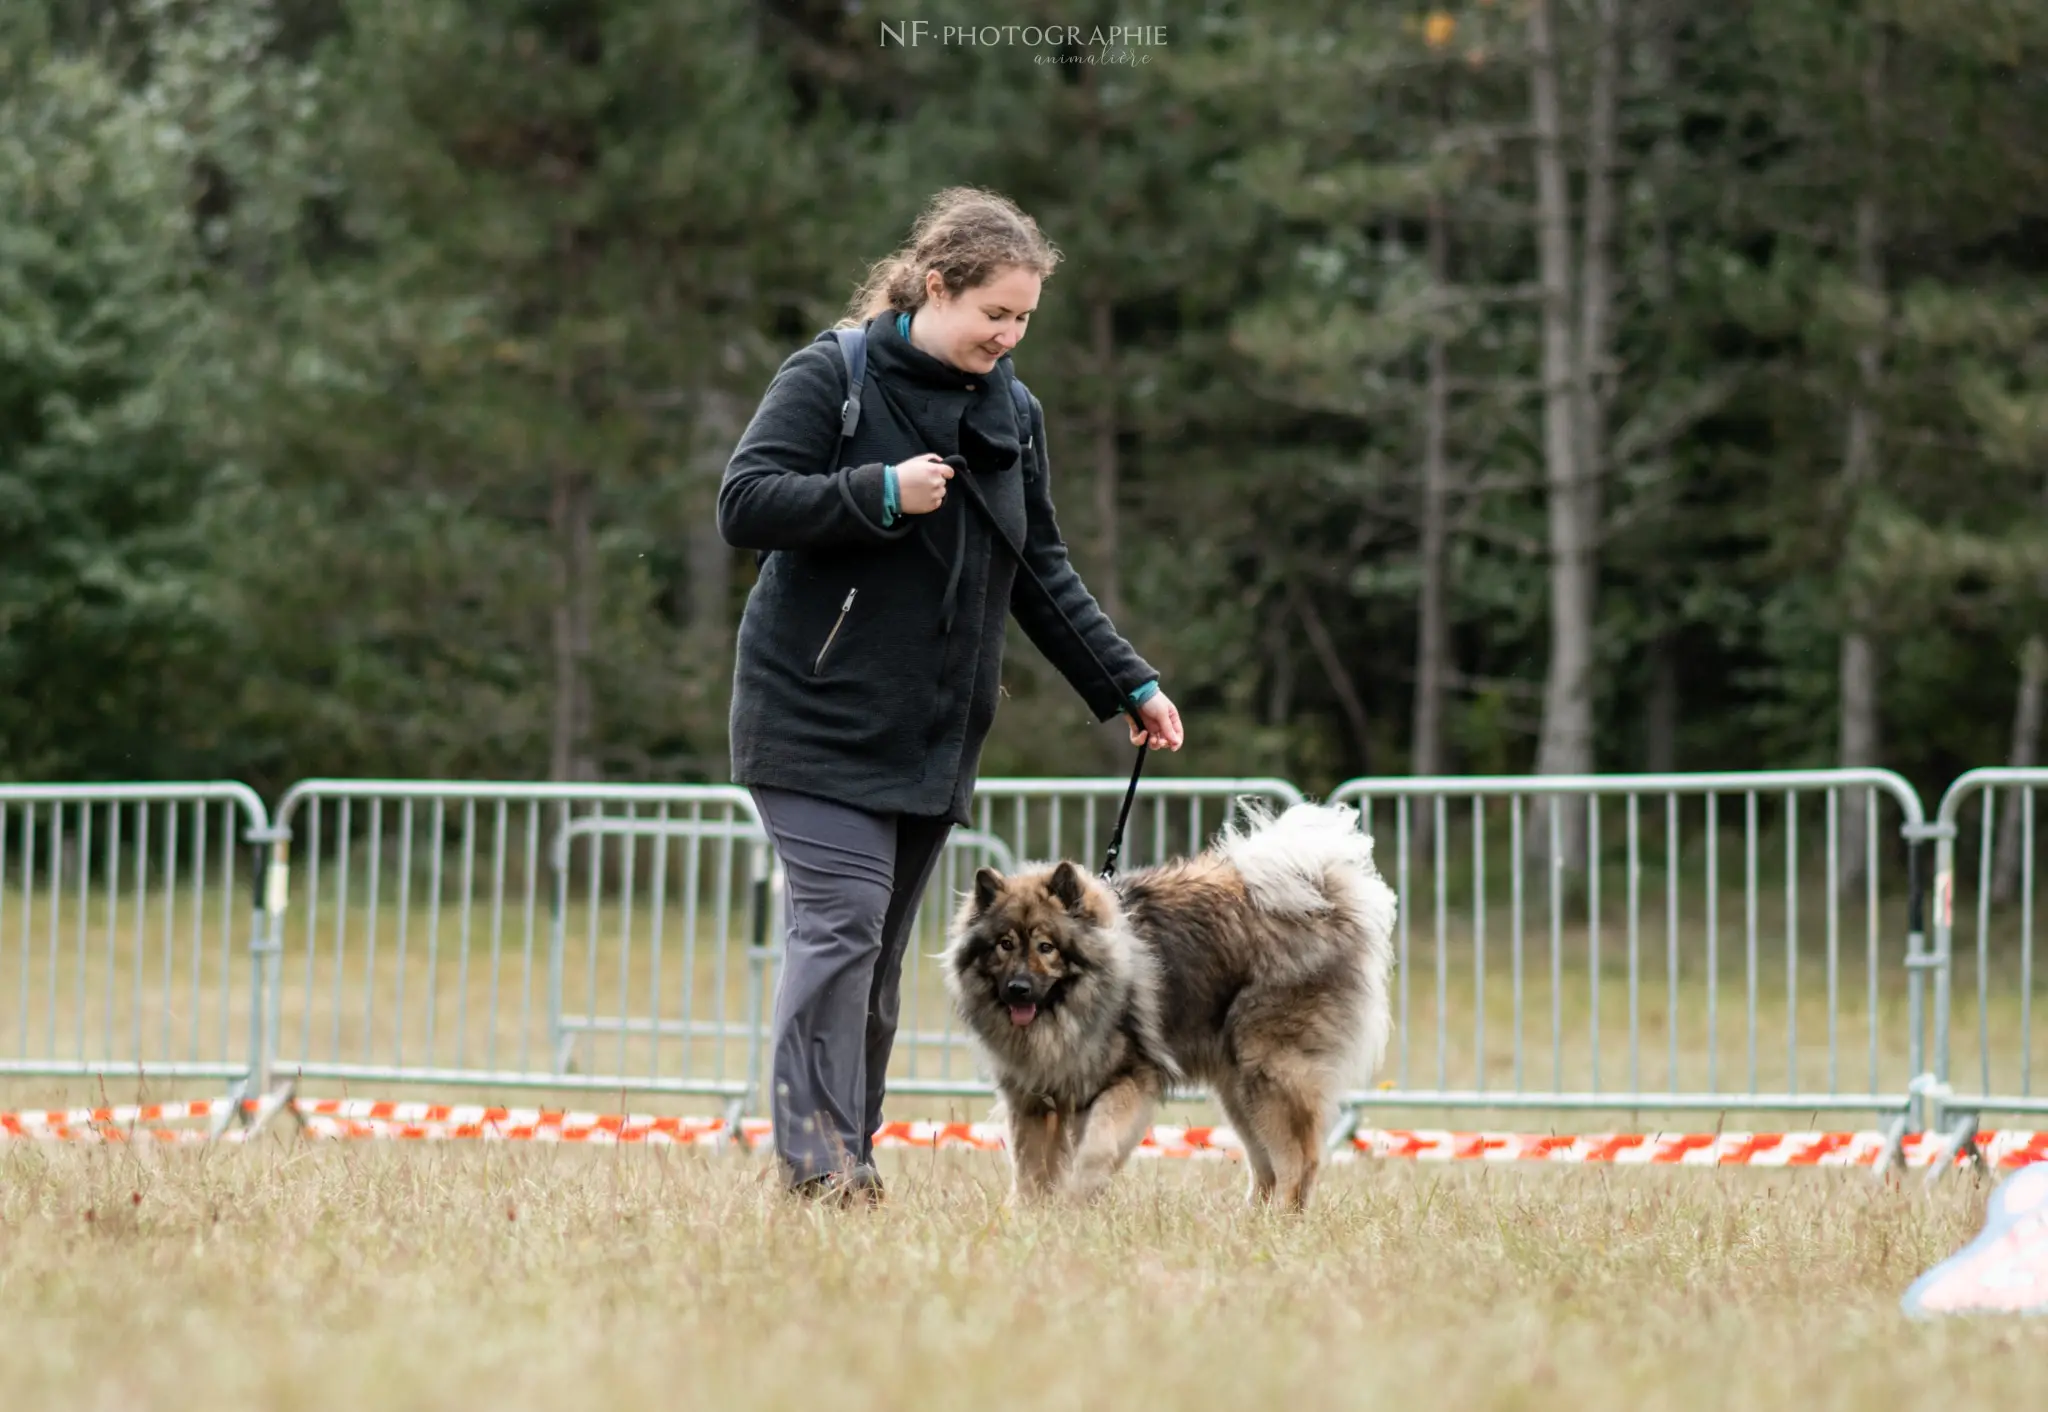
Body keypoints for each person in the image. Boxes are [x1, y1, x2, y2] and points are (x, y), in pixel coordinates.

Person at [716, 186, 1184, 1205]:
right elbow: (744, 500)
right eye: (993, 314)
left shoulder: (1012, 412)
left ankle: (850, 1154)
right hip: (810, 712)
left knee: (872, 964)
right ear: (937, 286)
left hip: (929, 734)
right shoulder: (831, 374)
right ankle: (817, 1165)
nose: (1007, 336)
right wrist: (875, 491)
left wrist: (1125, 679)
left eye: (1022, 319)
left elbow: (1039, 567)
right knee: (835, 931)